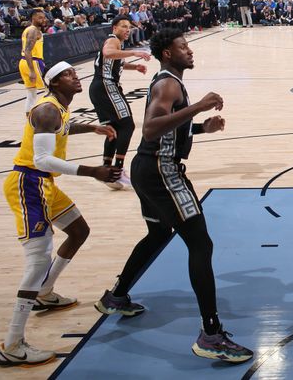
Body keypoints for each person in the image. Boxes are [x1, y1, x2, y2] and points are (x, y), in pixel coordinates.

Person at [94, 29, 253, 363]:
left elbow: (169, 128)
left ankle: (116, 296)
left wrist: (202, 127)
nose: (189, 50)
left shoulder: (170, 82)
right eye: (183, 47)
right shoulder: (168, 84)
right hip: (161, 171)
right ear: (167, 53)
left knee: (157, 234)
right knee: (201, 244)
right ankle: (211, 335)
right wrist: (198, 107)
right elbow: (151, 128)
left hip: (146, 168)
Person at [0, 62, 120, 367]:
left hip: (44, 185)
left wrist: (91, 127)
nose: (75, 76)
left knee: (79, 231)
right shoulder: (46, 110)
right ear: (53, 83)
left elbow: (62, 127)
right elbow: (42, 159)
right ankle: (12, 345)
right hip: (29, 184)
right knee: (38, 260)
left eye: (74, 72)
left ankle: (45, 292)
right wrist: (92, 171)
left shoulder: (58, 109)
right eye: (68, 75)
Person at [89, 16, 151, 190]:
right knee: (128, 125)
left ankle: (106, 170)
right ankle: (118, 169)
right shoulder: (113, 40)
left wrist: (134, 67)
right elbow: (108, 53)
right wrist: (135, 53)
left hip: (99, 88)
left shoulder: (118, 44)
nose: (127, 30)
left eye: (129, 27)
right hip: (106, 86)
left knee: (114, 129)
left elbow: (115, 61)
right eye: (123, 26)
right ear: (114, 28)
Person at [19, 10, 48, 114]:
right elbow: (28, 51)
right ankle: (51, 114)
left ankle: (29, 118)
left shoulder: (28, 29)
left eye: (44, 17)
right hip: (34, 62)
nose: (43, 20)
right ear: (33, 18)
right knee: (51, 90)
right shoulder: (34, 31)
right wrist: (32, 70)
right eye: (40, 18)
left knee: (31, 94)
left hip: (24, 62)